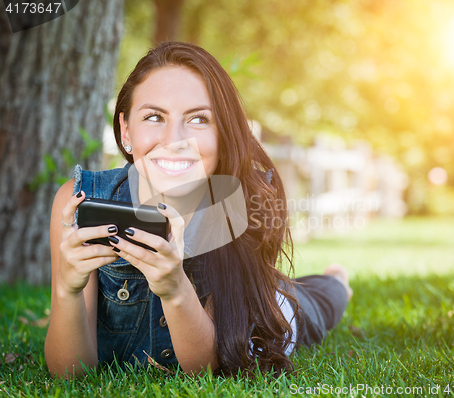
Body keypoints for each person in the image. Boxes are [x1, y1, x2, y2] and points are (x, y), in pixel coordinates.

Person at [44, 41, 352, 379]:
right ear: (126, 130)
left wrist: (174, 287)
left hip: (261, 316)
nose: (175, 139)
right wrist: (67, 289)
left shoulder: (243, 204)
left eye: (198, 119)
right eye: (153, 116)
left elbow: (206, 369)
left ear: (222, 133)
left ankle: (336, 281)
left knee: (313, 303)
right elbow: (69, 374)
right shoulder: (79, 200)